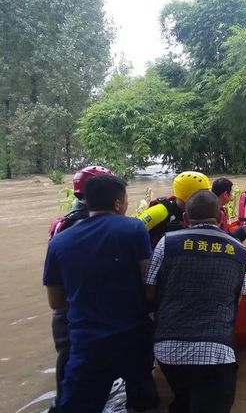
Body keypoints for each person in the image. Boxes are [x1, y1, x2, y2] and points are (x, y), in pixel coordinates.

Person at [43, 175, 159, 413]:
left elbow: (56, 302)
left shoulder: (60, 241)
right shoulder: (133, 228)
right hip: (133, 336)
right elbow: (148, 284)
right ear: (118, 203)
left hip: (86, 341)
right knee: (143, 402)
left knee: (77, 405)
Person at [145, 190, 246, 413]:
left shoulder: (166, 243)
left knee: (182, 401)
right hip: (217, 351)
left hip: (167, 350)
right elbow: (236, 300)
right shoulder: (240, 251)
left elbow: (149, 293)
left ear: (185, 219)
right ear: (221, 218)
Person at [47, 166, 114, 413]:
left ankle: (63, 402)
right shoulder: (104, 226)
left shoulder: (60, 224)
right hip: (91, 307)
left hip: (66, 305)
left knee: (68, 360)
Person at [138, 171, 211, 247]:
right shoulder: (159, 211)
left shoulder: (204, 211)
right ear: (187, 195)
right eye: (202, 198)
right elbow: (132, 233)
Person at [211, 177, 246, 244]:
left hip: (224, 236)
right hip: (222, 242)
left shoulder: (216, 207)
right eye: (231, 193)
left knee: (245, 228)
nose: (231, 195)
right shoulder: (218, 213)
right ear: (225, 194)